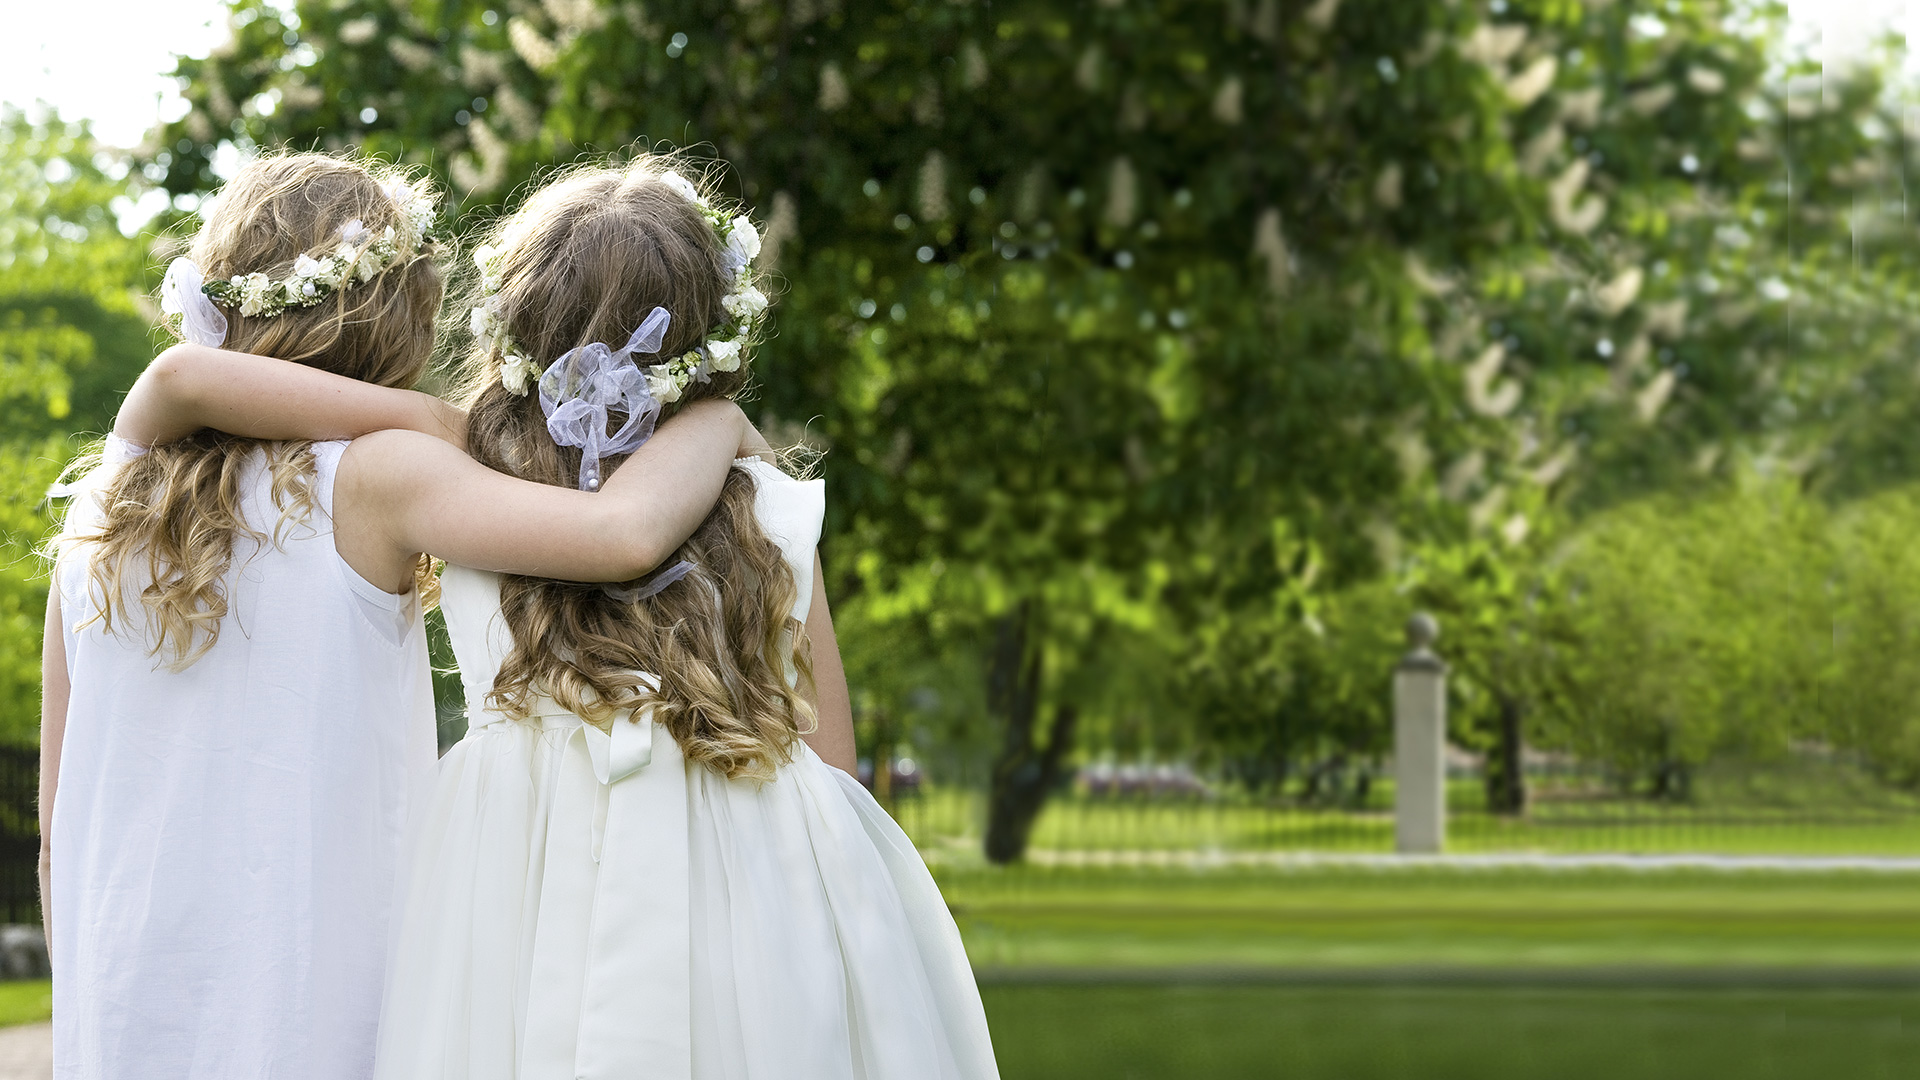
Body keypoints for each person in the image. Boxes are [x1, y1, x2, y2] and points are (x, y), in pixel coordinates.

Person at [42, 152, 747, 1080]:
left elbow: (55, 829)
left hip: (121, 1008)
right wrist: (718, 423)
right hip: (317, 1008)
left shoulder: (100, 508)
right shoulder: (377, 476)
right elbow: (623, 535)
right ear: (396, 314)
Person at [371, 158, 1000, 1079]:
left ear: (516, 321)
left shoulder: (461, 493)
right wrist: (728, 427)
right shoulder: (770, 508)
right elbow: (831, 758)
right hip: (757, 887)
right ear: (710, 326)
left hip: (522, 886)